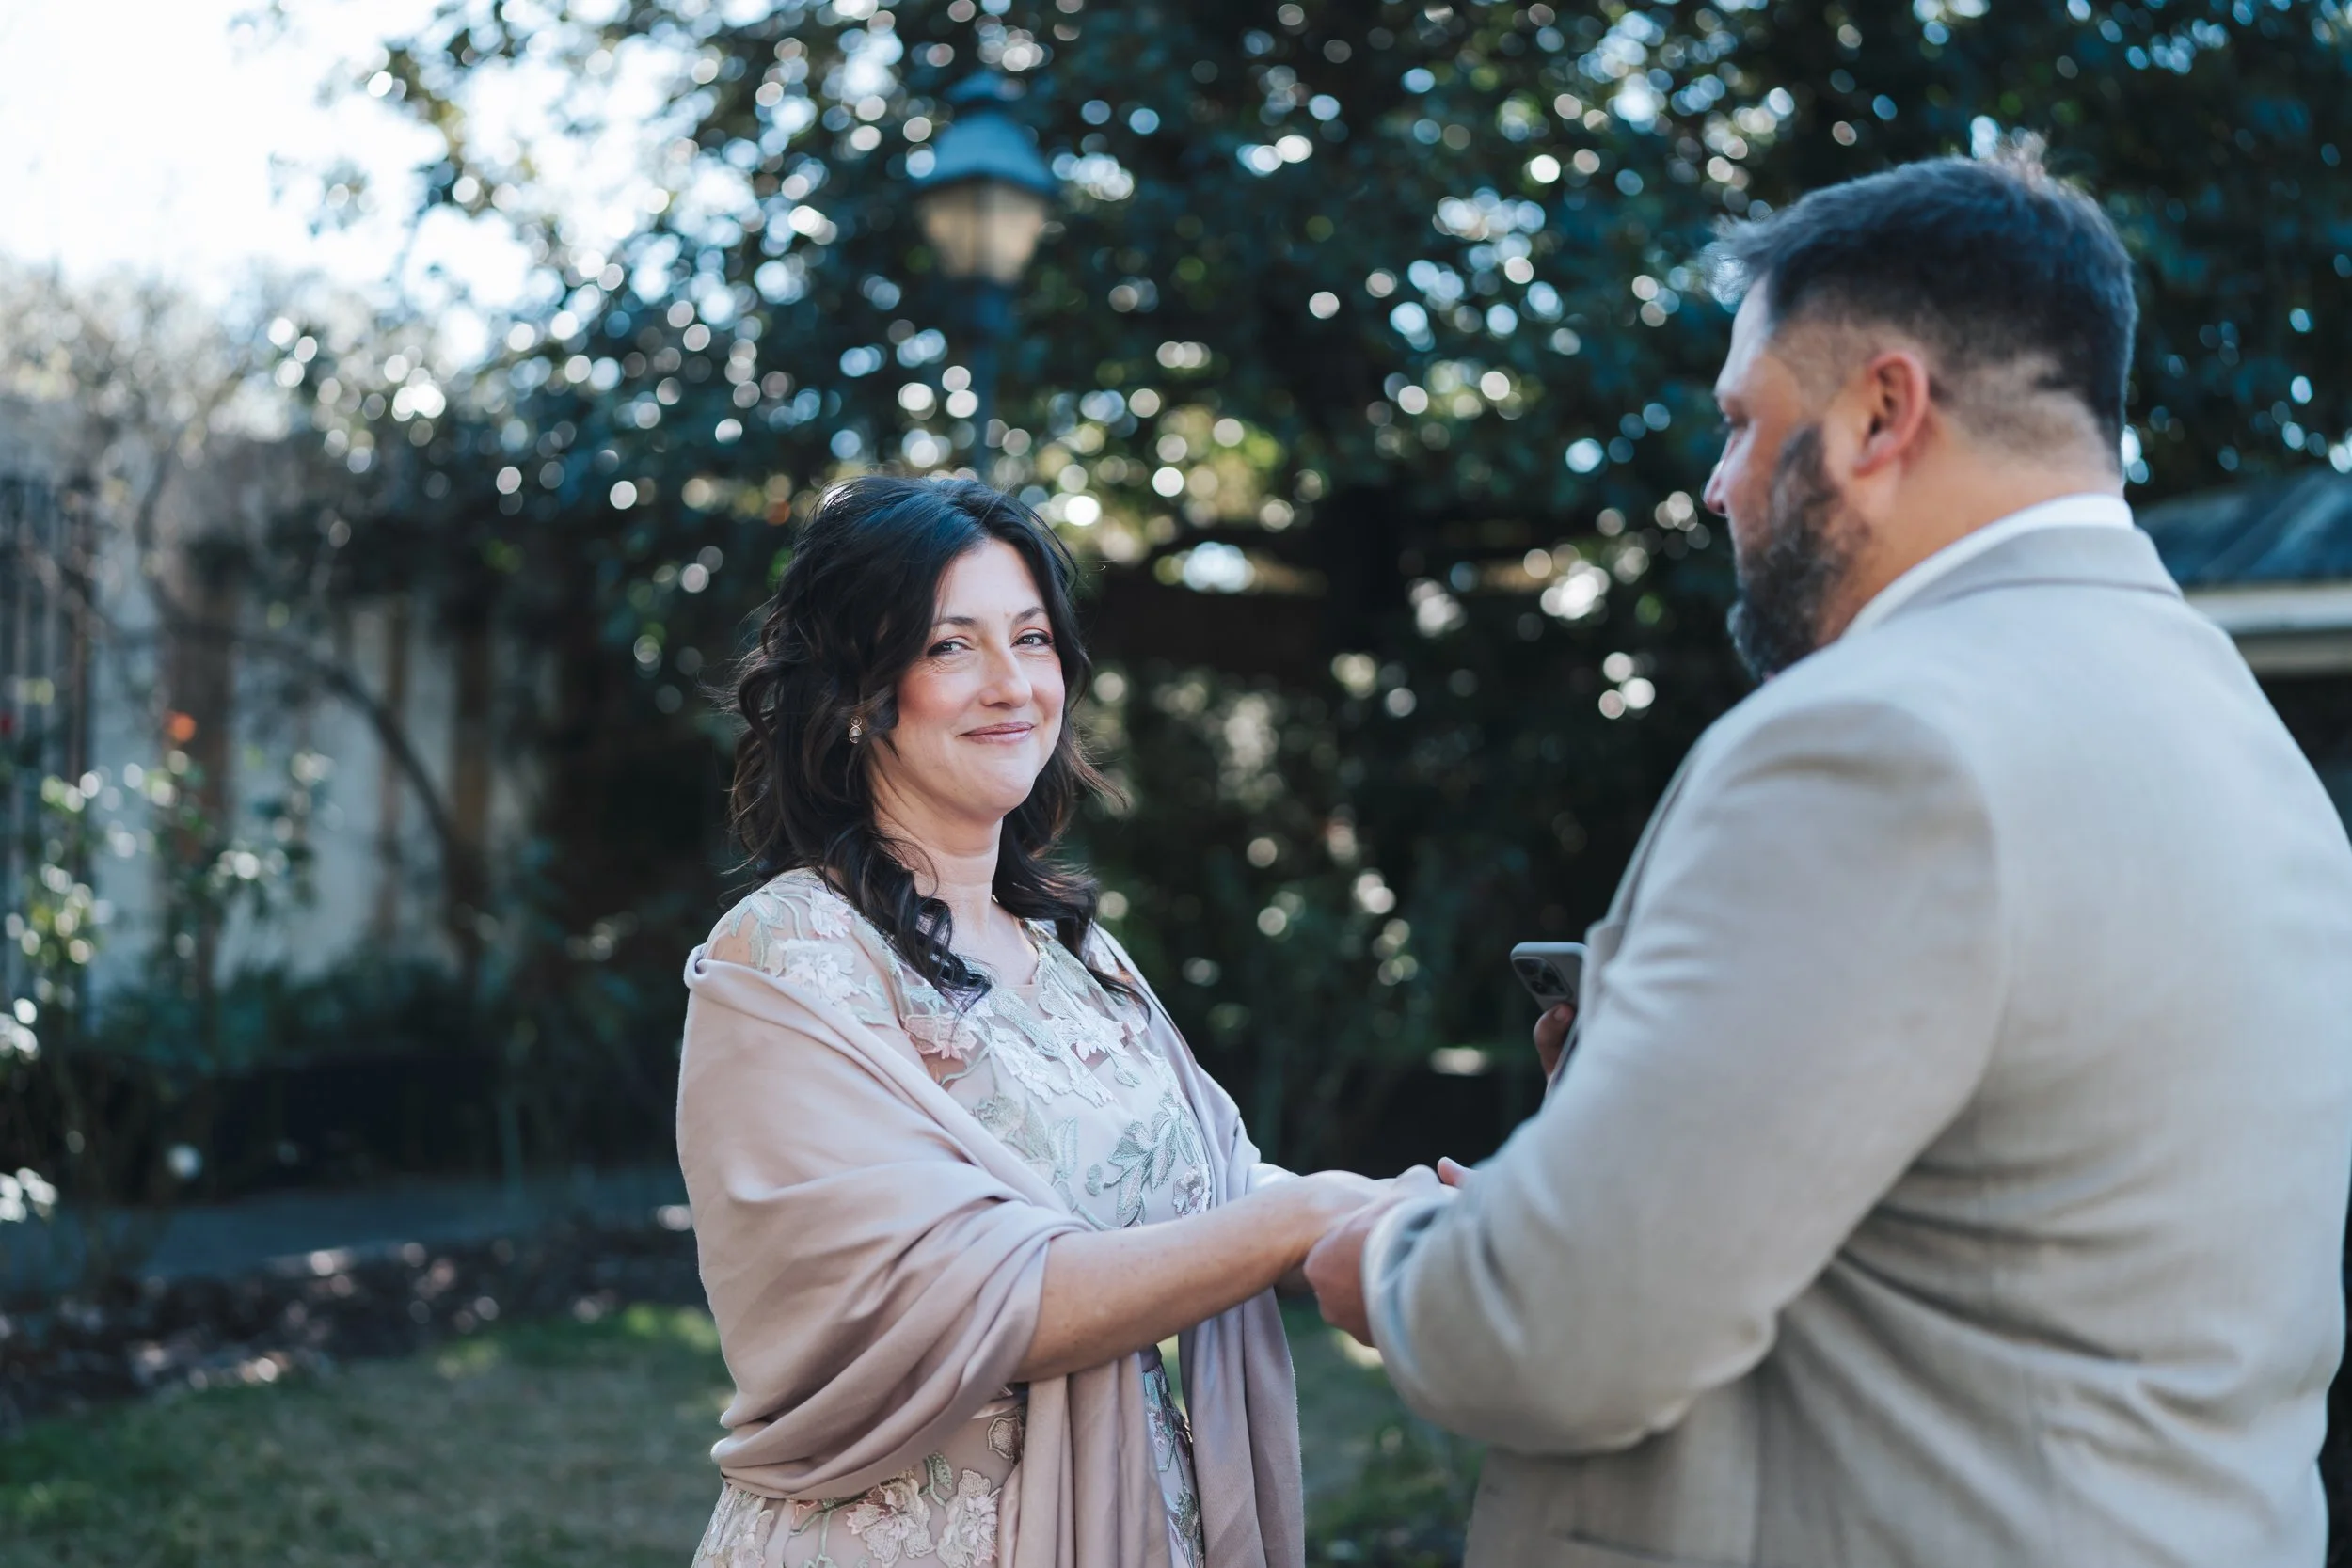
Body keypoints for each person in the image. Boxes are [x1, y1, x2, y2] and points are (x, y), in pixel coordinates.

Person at [1306, 145, 2352, 1566]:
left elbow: (1556, 1336)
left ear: (1880, 410)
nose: (1718, 484)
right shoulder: (2246, 735)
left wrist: (1384, 1250)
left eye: (1743, 421)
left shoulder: (1880, 739)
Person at [676, 475, 1383, 1568]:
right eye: (951, 646)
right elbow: (980, 1295)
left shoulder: (1076, 955)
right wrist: (1296, 1224)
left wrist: (1388, 1214)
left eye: (1033, 638)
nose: (1012, 685)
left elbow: (1217, 1185)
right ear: (861, 692)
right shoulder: (784, 956)